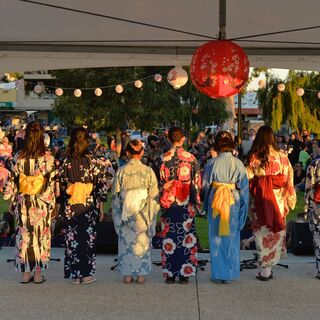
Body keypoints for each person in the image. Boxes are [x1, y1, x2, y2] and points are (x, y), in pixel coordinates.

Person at [3, 121, 56, 284]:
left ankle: (25, 274)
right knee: (41, 237)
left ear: (26, 138)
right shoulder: (48, 159)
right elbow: (51, 183)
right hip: (41, 202)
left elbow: (11, 183)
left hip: (23, 201)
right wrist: (52, 204)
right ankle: (38, 274)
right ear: (42, 138)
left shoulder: (18, 157)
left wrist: (11, 200)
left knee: (24, 237)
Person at [59, 127, 109, 284]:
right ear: (86, 140)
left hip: (71, 204)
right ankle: (86, 274)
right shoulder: (93, 161)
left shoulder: (65, 161)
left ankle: (75, 274)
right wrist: (101, 208)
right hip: (88, 204)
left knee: (72, 238)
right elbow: (101, 186)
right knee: (87, 239)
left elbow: (61, 186)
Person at [247, 126, 296, 281]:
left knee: (261, 232)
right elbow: (289, 179)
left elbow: (248, 178)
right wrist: (289, 199)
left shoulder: (255, 157)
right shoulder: (282, 157)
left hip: (260, 200)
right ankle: (269, 267)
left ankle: (265, 269)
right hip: (277, 200)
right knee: (274, 231)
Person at [202, 131, 249, 283]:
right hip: (232, 201)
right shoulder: (238, 163)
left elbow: (205, 186)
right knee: (231, 237)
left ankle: (218, 273)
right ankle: (230, 273)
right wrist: (244, 208)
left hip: (215, 200)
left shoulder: (212, 163)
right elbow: (244, 189)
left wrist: (204, 204)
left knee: (215, 237)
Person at [112, 140, 160, 284]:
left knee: (126, 242)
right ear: (142, 153)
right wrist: (151, 218)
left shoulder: (121, 171)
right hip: (143, 213)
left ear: (127, 153)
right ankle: (141, 275)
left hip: (126, 213)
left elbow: (115, 197)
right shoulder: (148, 171)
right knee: (142, 242)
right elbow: (153, 197)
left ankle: (127, 275)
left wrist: (118, 215)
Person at [160, 127, 201, 284]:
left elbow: (162, 180)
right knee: (185, 236)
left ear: (170, 138)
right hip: (185, 201)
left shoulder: (164, 158)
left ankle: (170, 273)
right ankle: (184, 273)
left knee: (169, 234)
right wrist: (196, 200)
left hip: (170, 200)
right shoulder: (190, 158)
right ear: (183, 138)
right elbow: (196, 181)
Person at [305, 158, 320, 279]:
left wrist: (312, 206)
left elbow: (309, 187)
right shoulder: (314, 164)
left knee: (318, 237)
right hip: (317, 202)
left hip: (317, 205)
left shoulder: (314, 164)